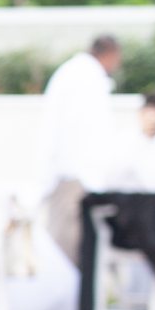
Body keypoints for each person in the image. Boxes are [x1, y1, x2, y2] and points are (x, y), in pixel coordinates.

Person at [39, 34, 121, 266]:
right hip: (73, 176)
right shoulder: (82, 77)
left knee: (75, 243)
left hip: (77, 176)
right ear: (111, 54)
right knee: (66, 243)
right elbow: (78, 130)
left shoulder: (81, 74)